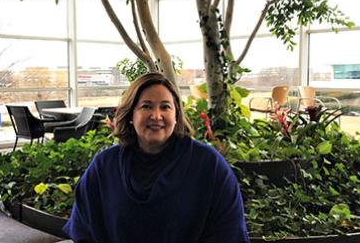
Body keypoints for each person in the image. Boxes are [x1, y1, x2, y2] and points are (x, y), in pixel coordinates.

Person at [63, 72, 250, 243]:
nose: (156, 115)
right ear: (130, 115)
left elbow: (229, 232)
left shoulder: (208, 165)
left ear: (176, 115)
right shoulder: (105, 166)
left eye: (165, 107)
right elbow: (84, 232)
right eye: (146, 106)